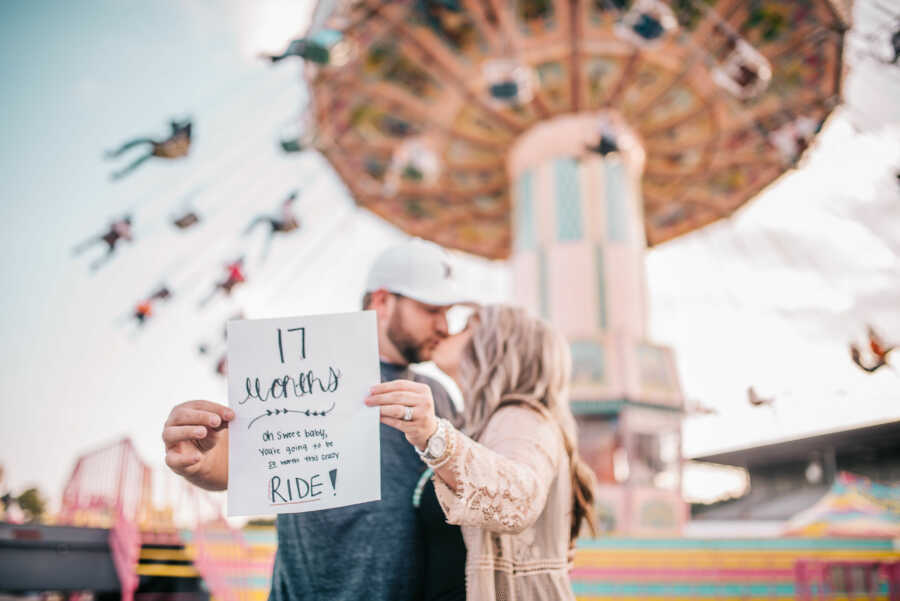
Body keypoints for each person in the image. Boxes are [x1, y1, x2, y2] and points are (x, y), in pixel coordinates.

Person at [162, 238, 466, 601]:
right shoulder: (305, 370)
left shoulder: (440, 395)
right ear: (382, 301)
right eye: (431, 309)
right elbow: (242, 467)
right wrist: (199, 461)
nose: (445, 326)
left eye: (447, 311)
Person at [367, 305, 597, 600]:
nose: (447, 330)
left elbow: (519, 496)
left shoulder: (521, 418)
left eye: (466, 326)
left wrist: (433, 436)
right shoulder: (480, 424)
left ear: (497, 345)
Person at [105, 119, 193, 180]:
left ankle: (120, 160)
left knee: (145, 151)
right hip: (168, 150)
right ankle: (118, 155)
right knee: (145, 144)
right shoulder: (180, 134)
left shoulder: (184, 134)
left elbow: (183, 149)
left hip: (168, 152)